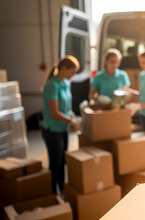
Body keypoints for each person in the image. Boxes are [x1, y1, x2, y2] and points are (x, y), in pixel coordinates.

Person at [41, 55, 81, 194]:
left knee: (63, 161)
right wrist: (72, 121)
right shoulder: (52, 85)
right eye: (72, 71)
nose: (73, 75)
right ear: (63, 69)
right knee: (55, 163)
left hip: (63, 129)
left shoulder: (64, 83)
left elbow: (64, 106)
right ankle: (52, 193)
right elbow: (54, 112)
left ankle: (62, 188)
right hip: (52, 130)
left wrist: (71, 114)